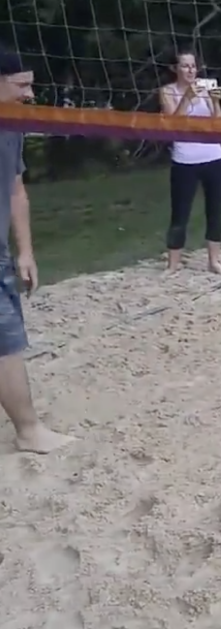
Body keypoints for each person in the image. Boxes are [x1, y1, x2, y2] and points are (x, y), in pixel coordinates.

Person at [0, 48, 75, 454]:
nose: (31, 93)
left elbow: (15, 190)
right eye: (22, 85)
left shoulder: (12, 125)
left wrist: (25, 251)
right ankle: (28, 431)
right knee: (5, 340)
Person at [160, 49, 221, 274]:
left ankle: (214, 260)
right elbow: (173, 124)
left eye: (193, 66)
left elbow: (220, 124)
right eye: (185, 66)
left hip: (213, 157)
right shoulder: (167, 91)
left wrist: (216, 102)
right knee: (180, 213)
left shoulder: (206, 88)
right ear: (175, 69)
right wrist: (187, 98)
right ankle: (173, 264)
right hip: (184, 160)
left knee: (215, 212)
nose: (190, 70)